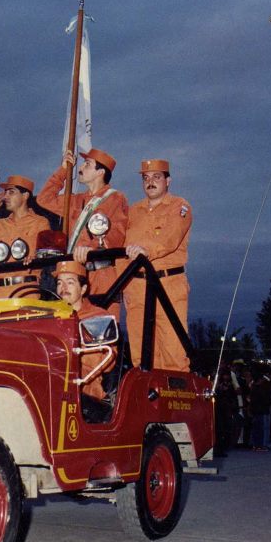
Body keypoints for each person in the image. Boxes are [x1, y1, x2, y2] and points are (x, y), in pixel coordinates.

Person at [38, 148, 128, 314]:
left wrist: (92, 248)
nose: (82, 167)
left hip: (100, 274)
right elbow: (44, 199)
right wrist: (63, 170)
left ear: (100, 172)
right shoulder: (76, 200)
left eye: (87, 164)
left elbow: (117, 233)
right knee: (73, 325)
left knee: (102, 328)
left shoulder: (115, 198)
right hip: (75, 276)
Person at [123, 159, 192, 372]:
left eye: (156, 177)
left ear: (168, 181)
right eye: (146, 178)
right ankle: (146, 402)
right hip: (136, 289)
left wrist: (147, 250)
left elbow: (171, 237)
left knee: (173, 352)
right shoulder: (132, 212)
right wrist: (122, 284)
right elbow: (120, 248)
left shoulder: (180, 207)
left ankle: (176, 401)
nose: (150, 182)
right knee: (140, 354)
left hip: (168, 285)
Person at [54, 260, 116, 401]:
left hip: (85, 386)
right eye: (59, 283)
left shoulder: (98, 316)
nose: (63, 288)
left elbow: (107, 361)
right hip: (56, 377)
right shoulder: (51, 316)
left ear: (83, 289)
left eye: (70, 283)